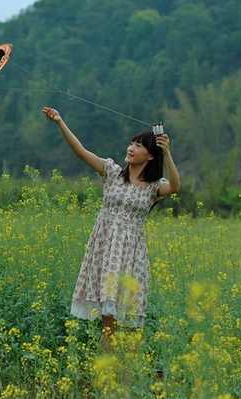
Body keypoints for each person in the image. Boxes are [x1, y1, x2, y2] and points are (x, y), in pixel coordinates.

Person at [42, 106, 180, 346]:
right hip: (105, 251)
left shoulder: (154, 186)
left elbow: (176, 187)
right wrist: (60, 122)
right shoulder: (112, 173)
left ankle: (126, 379)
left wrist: (167, 153)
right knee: (109, 322)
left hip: (131, 255)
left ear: (150, 155)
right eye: (131, 143)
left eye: (138, 146)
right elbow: (82, 152)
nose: (131, 148)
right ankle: (106, 379)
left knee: (131, 324)